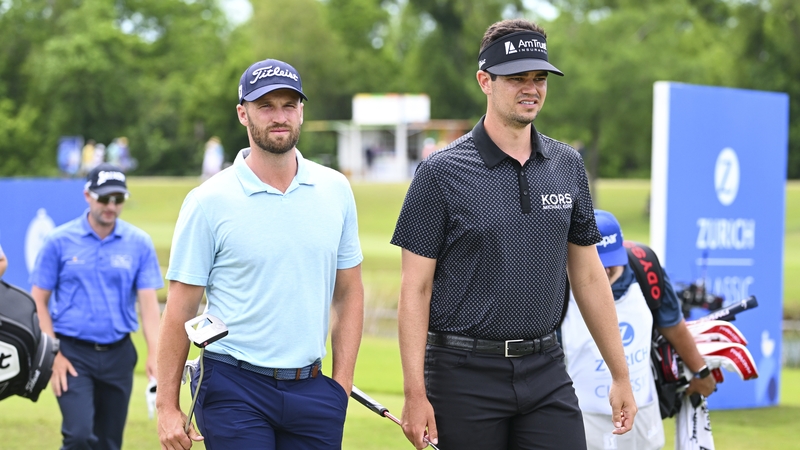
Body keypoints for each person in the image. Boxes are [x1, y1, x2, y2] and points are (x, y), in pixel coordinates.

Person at [390, 18, 637, 450]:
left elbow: (589, 275)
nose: (532, 88)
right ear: (485, 80)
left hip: (545, 368)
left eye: (539, 77)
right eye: (517, 78)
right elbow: (416, 288)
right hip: (462, 373)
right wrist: (415, 393)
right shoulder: (440, 172)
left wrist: (620, 374)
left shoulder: (566, 165)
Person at [157, 58, 364, 450]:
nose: (279, 116)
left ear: (302, 110)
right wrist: (167, 405)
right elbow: (180, 308)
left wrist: (342, 383)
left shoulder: (336, 189)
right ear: (242, 113)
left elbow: (349, 291)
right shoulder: (207, 201)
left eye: (289, 105)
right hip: (234, 385)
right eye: (265, 106)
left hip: (313, 388)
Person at [29, 163, 163, 450]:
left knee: (108, 443)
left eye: (118, 199)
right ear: (87, 195)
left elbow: (149, 306)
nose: (111, 206)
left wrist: (154, 352)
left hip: (119, 354)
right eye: (104, 198)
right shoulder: (58, 241)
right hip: (72, 354)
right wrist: (54, 354)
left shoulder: (139, 243)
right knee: (78, 436)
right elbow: (39, 301)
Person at [561, 210, 717, 450]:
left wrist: (702, 373)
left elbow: (674, 327)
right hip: (584, 418)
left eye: (610, 263)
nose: (603, 272)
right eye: (596, 264)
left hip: (643, 414)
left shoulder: (645, 269)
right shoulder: (557, 283)